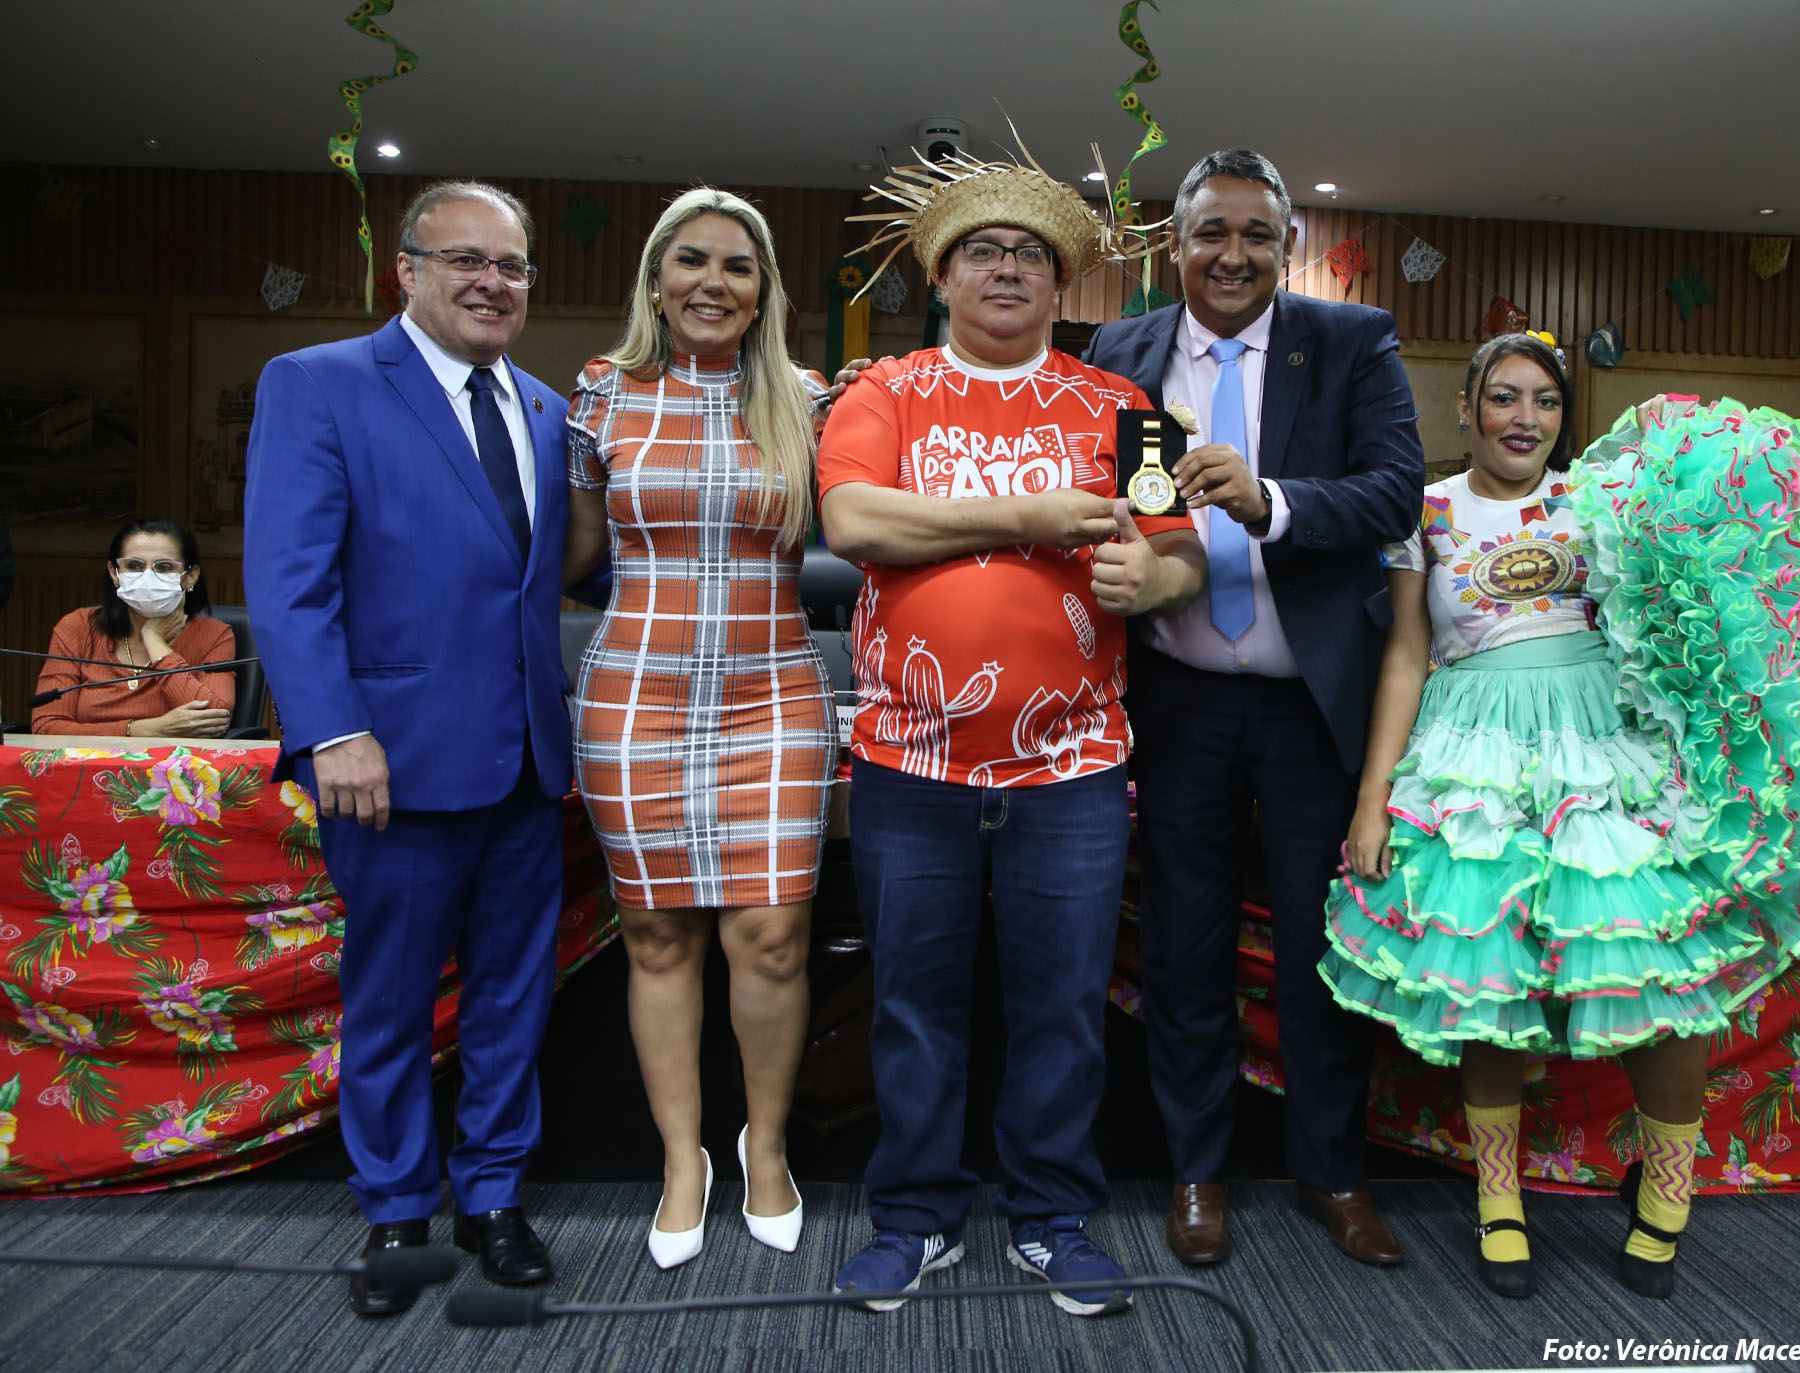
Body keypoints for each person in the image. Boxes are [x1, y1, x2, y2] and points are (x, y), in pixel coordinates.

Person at [1318, 333, 1800, 1301]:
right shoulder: (1423, 510)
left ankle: (1667, 1190)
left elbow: (1681, 599)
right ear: (1466, 408)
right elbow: (1404, 653)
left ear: (1564, 417)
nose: (1524, 417)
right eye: (1503, 396)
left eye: (1545, 400)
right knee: (1486, 971)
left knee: (1658, 964)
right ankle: (1498, 1198)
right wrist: (1373, 797)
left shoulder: (1600, 501)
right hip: (1472, 748)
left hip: (1601, 742)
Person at [817, 149, 1203, 1316]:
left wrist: (1155, 577)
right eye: (980, 251)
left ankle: (1051, 1216)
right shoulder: (885, 392)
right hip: (907, 760)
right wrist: (1028, 515)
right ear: (941, 277)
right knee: (910, 1004)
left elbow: (1177, 553)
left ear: (1058, 283)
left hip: (1072, 766)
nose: (1005, 268)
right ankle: (915, 1217)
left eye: (1028, 254)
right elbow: (854, 519)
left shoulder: (1125, 409)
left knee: (1062, 1005)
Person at [1079, 149, 1425, 1269]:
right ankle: (1196, 1171)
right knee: (1183, 946)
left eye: (1256, 235)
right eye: (1211, 233)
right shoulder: (1120, 350)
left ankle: (1333, 1170)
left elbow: (1395, 491)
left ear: (1287, 246)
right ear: (1175, 242)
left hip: (1310, 707)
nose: (1232, 255)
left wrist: (1272, 499)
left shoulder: (1352, 340)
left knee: (1322, 949)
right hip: (1177, 698)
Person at [245, 180, 583, 1316]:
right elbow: (288, 581)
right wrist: (333, 727)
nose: (492, 282)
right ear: (407, 270)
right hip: (385, 765)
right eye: (465, 260)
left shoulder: (546, 409)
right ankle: (394, 1210)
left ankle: (493, 1199)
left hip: (527, 765)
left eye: (512, 266)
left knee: (510, 1001)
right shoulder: (318, 382)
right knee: (389, 999)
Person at [561, 188, 832, 1268]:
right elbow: (575, 554)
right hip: (635, 694)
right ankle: (684, 1160)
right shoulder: (600, 393)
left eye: (736, 266)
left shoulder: (810, 401)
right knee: (657, 934)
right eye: (690, 260)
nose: (711, 282)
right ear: (655, 280)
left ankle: (765, 1148)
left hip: (776, 695)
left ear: (764, 291)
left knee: (770, 937)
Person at [32, 518, 234, 738]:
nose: (147, 577)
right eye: (134, 566)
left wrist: (154, 641)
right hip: (84, 759)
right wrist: (143, 730)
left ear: (190, 576)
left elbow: (214, 718)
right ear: (114, 573)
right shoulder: (78, 627)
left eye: (164, 567)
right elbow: (47, 726)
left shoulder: (214, 635)